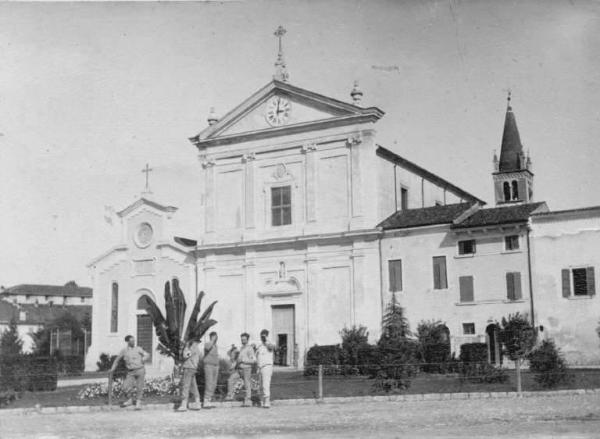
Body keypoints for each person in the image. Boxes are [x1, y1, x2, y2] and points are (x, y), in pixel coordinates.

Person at [110, 335, 149, 410]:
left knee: (139, 387)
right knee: (125, 386)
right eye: (131, 341)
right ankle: (129, 400)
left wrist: (144, 359)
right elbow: (117, 360)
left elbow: (147, 354)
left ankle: (138, 403)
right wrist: (112, 369)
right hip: (130, 372)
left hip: (140, 370)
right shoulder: (124, 351)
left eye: (134, 340)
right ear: (127, 342)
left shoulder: (138, 349)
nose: (133, 342)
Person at [226, 332, 255, 406]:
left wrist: (243, 360)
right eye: (242, 339)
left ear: (247, 340)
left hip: (247, 369)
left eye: (244, 339)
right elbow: (238, 360)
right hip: (239, 369)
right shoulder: (241, 348)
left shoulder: (250, 348)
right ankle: (230, 396)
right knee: (231, 379)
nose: (243, 341)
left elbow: (253, 361)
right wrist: (233, 366)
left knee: (247, 383)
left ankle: (248, 399)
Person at [178, 339, 202, 412]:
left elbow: (185, 355)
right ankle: (198, 403)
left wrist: (184, 349)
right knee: (194, 386)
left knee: (186, 385)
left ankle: (184, 404)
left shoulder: (190, 347)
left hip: (188, 367)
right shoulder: (197, 348)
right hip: (193, 368)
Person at [255, 329, 275, 408]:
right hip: (260, 366)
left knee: (265, 384)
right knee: (260, 385)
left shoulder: (270, 342)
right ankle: (262, 400)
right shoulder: (259, 345)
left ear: (267, 335)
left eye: (264, 335)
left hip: (267, 366)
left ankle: (267, 401)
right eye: (261, 335)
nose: (262, 337)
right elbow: (257, 356)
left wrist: (266, 340)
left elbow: (271, 347)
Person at [202, 331, 219, 408]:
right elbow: (207, 348)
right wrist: (212, 340)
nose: (215, 338)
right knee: (209, 383)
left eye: (216, 336)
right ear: (211, 337)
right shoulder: (208, 344)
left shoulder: (215, 346)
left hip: (215, 366)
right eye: (213, 336)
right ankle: (206, 401)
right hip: (208, 366)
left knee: (214, 384)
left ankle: (209, 400)